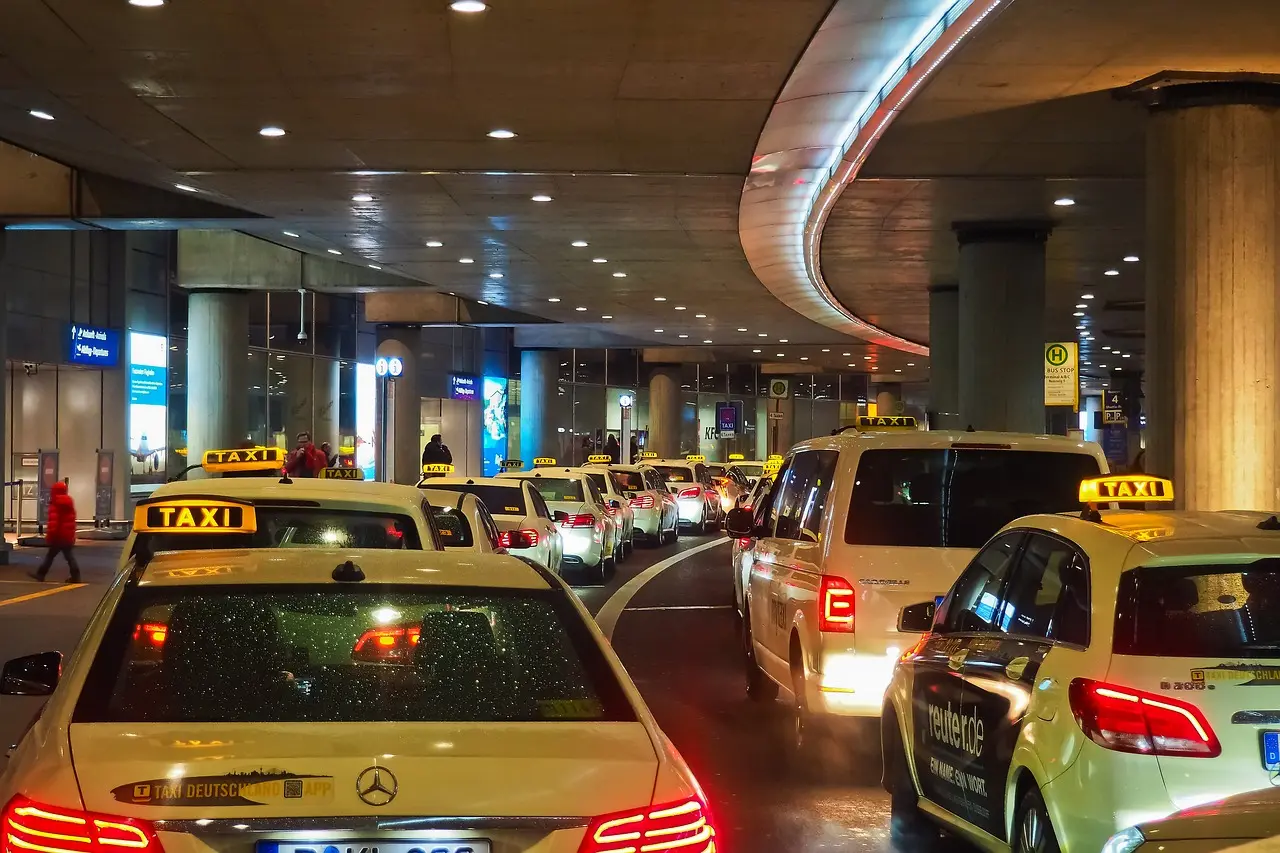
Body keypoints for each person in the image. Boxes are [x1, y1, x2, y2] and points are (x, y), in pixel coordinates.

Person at [32, 481, 80, 583]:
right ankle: (76, 576)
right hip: (67, 535)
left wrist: (50, 536)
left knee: (50, 556)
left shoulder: (55, 503)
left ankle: (40, 574)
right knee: (69, 557)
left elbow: (54, 522)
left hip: (58, 536)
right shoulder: (69, 502)